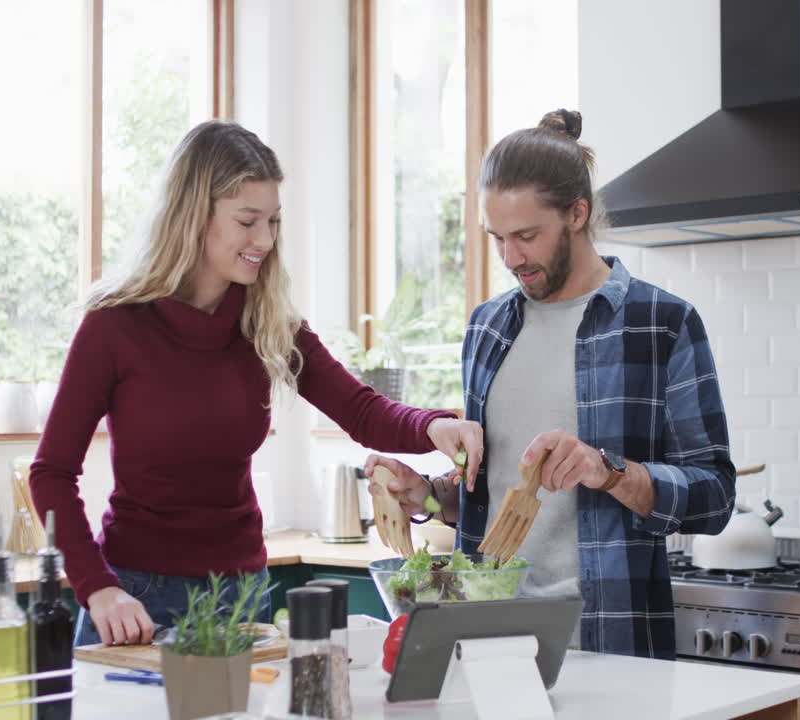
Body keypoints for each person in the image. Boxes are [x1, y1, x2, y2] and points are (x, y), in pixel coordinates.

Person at [30, 120, 484, 647]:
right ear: (194, 215)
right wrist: (98, 589)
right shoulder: (115, 326)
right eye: (248, 221)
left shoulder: (265, 321)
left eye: (273, 221)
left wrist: (434, 428)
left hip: (243, 600)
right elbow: (51, 473)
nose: (264, 240)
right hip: (136, 602)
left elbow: (360, 411)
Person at [367, 109, 735, 658]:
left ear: (577, 214)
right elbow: (491, 491)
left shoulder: (662, 323)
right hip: (487, 636)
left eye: (527, 236)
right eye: (497, 238)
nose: (511, 258)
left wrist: (608, 472)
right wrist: (429, 492)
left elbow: (715, 496)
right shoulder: (486, 327)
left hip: (607, 640)